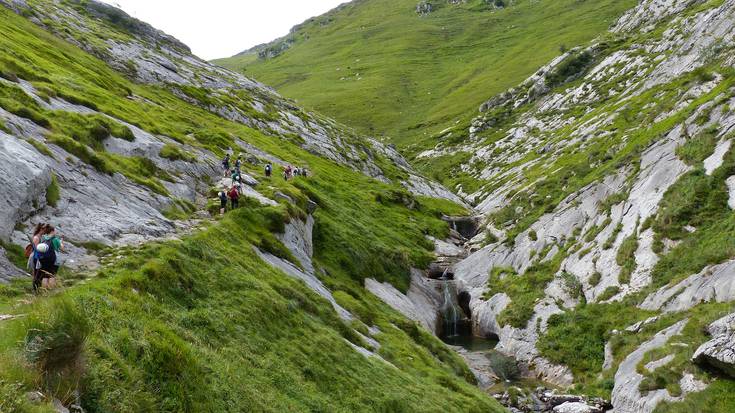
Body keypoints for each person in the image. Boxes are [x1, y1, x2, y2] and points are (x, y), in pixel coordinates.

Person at [34, 225, 63, 291]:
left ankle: (44, 292)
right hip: (53, 260)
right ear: (52, 231)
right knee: (52, 276)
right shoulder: (55, 239)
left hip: (43, 259)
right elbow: (62, 249)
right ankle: (51, 292)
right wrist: (61, 243)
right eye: (55, 230)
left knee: (44, 276)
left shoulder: (42, 238)